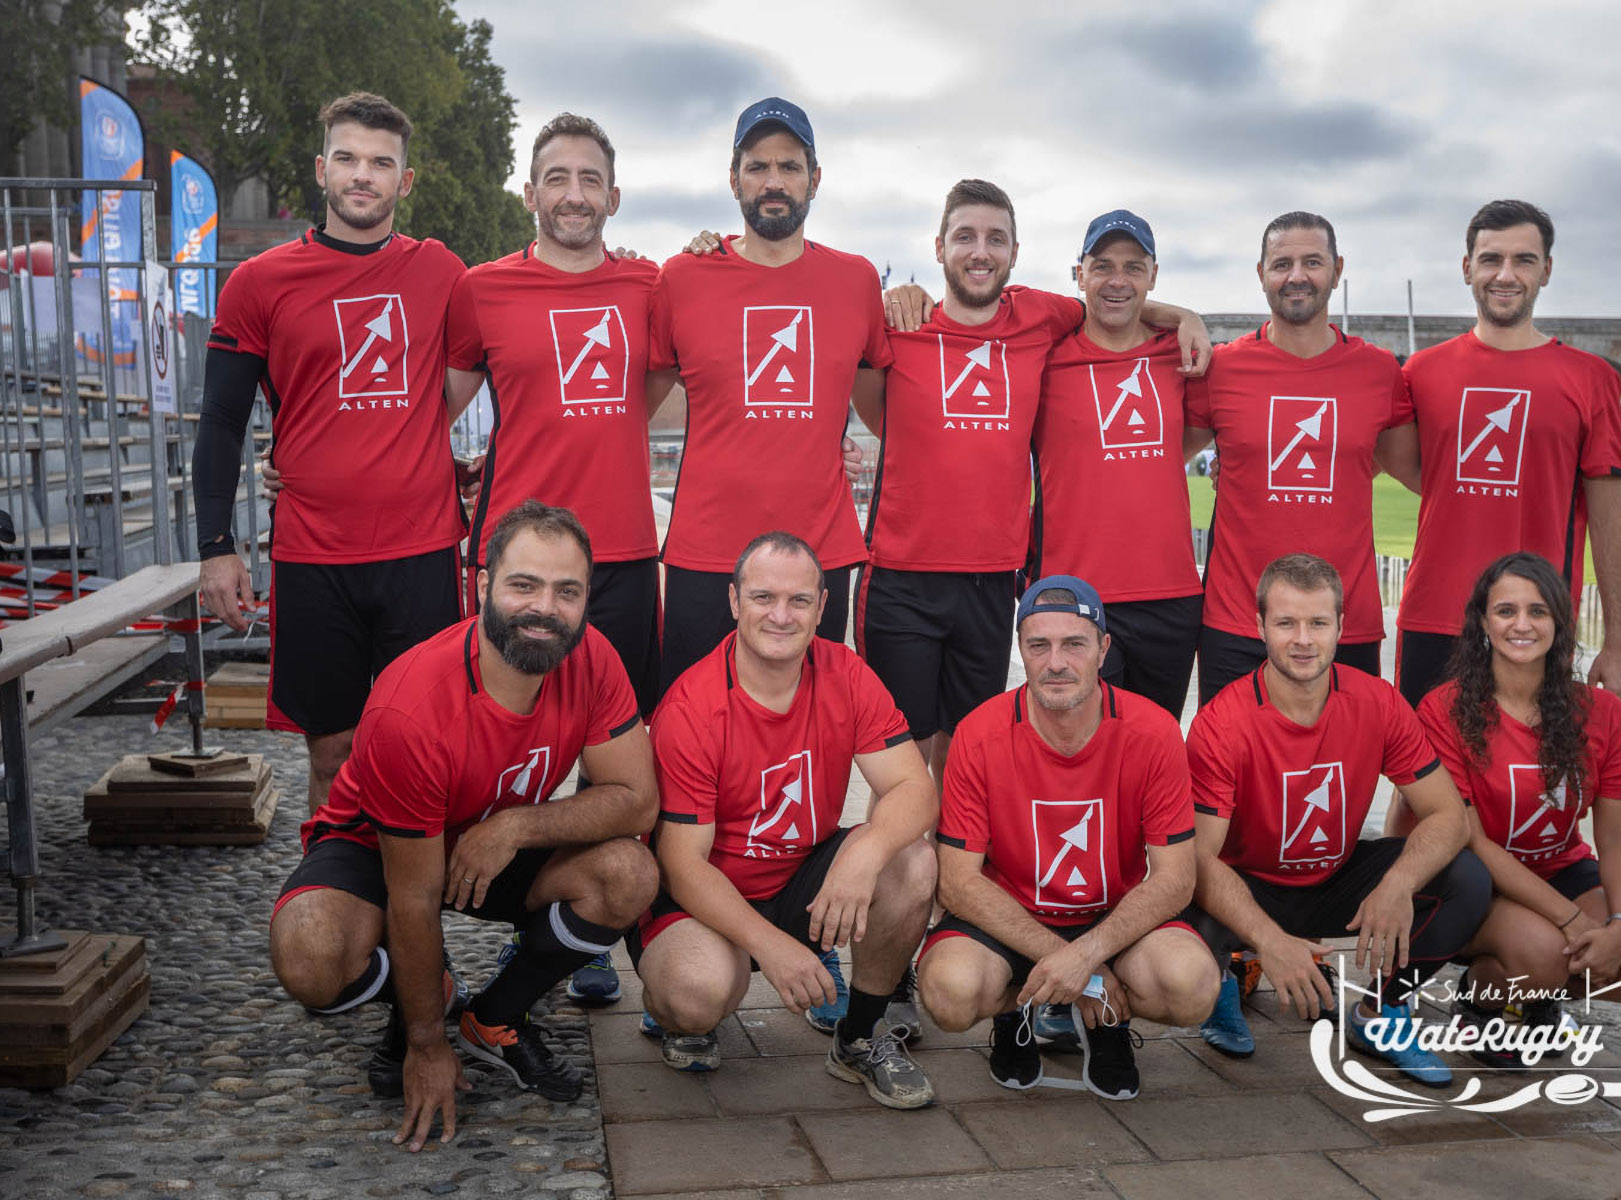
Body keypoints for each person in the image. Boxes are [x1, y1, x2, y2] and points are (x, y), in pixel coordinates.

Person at [267, 500, 659, 1152]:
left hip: (493, 841)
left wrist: (512, 828)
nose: (545, 609)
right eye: (523, 584)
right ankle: (426, 998)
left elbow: (637, 801)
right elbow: (413, 895)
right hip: (380, 846)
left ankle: (495, 1016)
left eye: (568, 591)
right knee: (309, 958)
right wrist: (425, 1042)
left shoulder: (594, 657)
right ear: (482, 584)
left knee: (629, 872)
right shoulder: (412, 706)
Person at [860, 185, 1211, 787]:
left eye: (995, 238)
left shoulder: (1042, 319)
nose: (980, 251)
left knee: (967, 756)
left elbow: (1117, 304)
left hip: (993, 582)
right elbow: (875, 412)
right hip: (904, 579)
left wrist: (1185, 316)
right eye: (965, 236)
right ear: (939, 246)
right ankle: (905, 878)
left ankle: (952, 874)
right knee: (904, 773)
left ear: (1015, 251)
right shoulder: (901, 325)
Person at [193, 92, 467, 813]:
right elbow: (221, 419)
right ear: (322, 169)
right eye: (347, 158)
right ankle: (333, 909)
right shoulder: (259, 282)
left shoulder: (444, 273)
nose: (363, 175)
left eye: (381, 163)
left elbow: (528, 333)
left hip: (421, 549)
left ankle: (410, 922)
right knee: (332, 750)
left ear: (405, 181)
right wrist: (215, 546)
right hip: (315, 553)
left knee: (423, 746)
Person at [444, 112, 661, 1006]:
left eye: (590, 179)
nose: (574, 195)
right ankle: (497, 914)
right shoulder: (481, 289)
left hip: (622, 557)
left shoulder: (654, 285)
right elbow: (429, 411)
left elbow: (656, 389)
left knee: (614, 760)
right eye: (557, 178)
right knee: (513, 741)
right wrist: (291, 459)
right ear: (529, 194)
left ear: (614, 195)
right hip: (519, 566)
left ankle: (600, 928)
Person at [636, 532, 941, 1110]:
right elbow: (680, 864)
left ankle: (859, 1038)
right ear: (733, 601)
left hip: (801, 878)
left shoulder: (845, 672)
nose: (781, 616)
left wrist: (866, 851)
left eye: (799, 601)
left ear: (823, 608)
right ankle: (674, 1006)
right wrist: (773, 948)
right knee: (695, 994)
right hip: (709, 896)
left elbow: (914, 790)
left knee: (912, 859)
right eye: (763, 598)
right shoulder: (692, 707)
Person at [1186, 553, 1491, 1086]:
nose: (1302, 639)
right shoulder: (1223, 722)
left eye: (1317, 623)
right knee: (1186, 903)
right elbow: (1197, 859)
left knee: (1467, 878)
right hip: (1248, 889)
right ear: (1259, 627)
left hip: (1334, 879)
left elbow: (1448, 815)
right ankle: (1225, 980)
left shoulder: (1377, 702)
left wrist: (1398, 884)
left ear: (1341, 627)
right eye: (1286, 623)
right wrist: (1268, 939)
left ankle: (1379, 1013)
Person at [917, 575, 1218, 1100]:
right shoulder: (978, 732)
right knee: (949, 994)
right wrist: (1074, 964)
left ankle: (1107, 1022)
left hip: (1111, 916)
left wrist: (1089, 957)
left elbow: (1176, 878)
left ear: (1103, 648)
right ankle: (1020, 1013)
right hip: (1012, 917)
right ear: (1022, 651)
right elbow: (959, 884)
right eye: (1039, 645)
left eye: (1074, 644)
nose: (1056, 662)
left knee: (1192, 987)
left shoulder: (1153, 730)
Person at [647, 98, 889, 693]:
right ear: (733, 180)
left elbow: (880, 410)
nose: (774, 182)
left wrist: (831, 439)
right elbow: (635, 409)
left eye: (789, 166)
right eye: (757, 167)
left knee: (813, 728)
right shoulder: (682, 278)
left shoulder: (856, 281)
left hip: (817, 554)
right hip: (706, 555)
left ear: (815, 178)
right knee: (691, 727)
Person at [1416, 552, 1621, 1064]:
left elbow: (1619, 836)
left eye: (1537, 611)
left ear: (1558, 622)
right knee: (1544, 954)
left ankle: (1537, 1004)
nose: (1522, 624)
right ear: (1483, 621)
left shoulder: (1602, 713)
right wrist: (1573, 921)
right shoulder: (1444, 708)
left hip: (1559, 868)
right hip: (1469, 877)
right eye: (1506, 611)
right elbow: (1471, 840)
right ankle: (1483, 999)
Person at [1394, 199, 1621, 711]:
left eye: (1523, 260)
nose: (1506, 274)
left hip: (1535, 620)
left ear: (1546, 270)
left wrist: (1618, 643)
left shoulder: (1591, 379)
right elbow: (1367, 462)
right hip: (1434, 617)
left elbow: (1609, 519)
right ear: (1467, 269)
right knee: (1418, 781)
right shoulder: (1421, 372)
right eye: (1490, 259)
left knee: (1524, 784)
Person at [1187, 212, 1415, 707]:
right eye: (1282, 263)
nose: (1297, 275)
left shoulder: (1378, 371)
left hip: (1341, 622)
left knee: (1340, 777)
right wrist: (1177, 315)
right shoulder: (1221, 368)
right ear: (1261, 273)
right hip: (1237, 621)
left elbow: (1415, 471)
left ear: (1337, 269)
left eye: (1312, 262)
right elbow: (1159, 461)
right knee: (1227, 779)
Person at [1032, 210, 1210, 720]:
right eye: (1102, 265)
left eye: (1133, 267)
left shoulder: (1180, 359)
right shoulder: (1047, 358)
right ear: (1079, 274)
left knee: (1152, 752)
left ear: (1153, 276)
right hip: (1072, 598)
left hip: (1169, 596)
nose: (1117, 279)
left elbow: (1184, 443)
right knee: (1079, 756)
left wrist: (1185, 318)